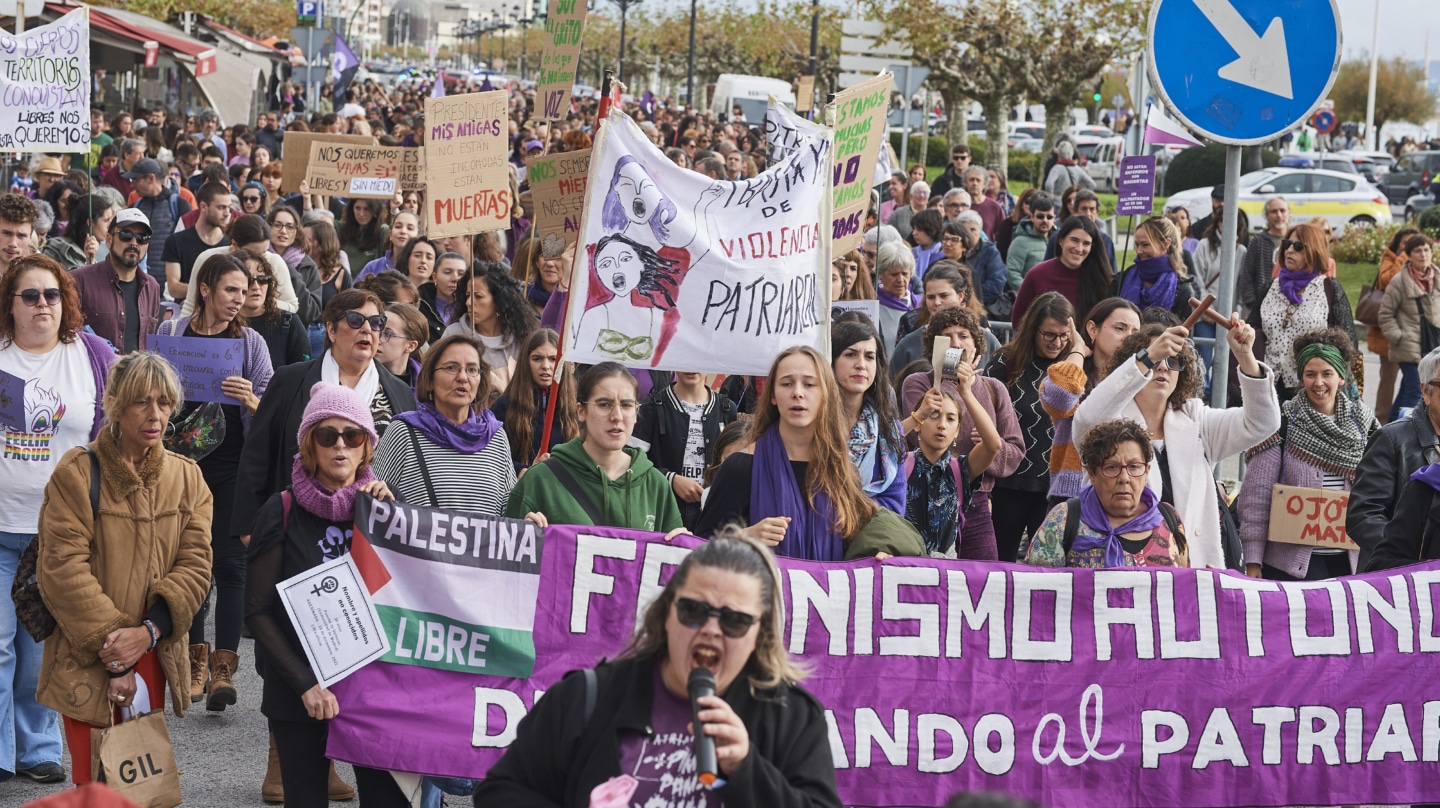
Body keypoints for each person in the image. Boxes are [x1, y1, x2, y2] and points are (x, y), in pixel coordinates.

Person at [472, 529, 842, 808]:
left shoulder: (791, 716)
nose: (711, 629)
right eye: (694, 611)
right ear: (667, 614)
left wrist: (747, 769)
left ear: (759, 633)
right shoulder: (587, 697)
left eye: (733, 620)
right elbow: (500, 793)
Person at [37, 353, 212, 784]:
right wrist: (118, 658)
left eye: (164, 403)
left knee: (141, 789)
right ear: (114, 404)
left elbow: (196, 567)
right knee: (94, 785)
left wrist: (147, 634)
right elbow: (62, 570)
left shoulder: (188, 478)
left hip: (152, 651)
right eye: (140, 402)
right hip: (90, 652)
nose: (155, 415)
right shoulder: (76, 473)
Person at [244, 382, 404, 807]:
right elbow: (257, 611)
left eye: (352, 436)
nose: (340, 445)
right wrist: (306, 684)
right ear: (308, 445)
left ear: (367, 448)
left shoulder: (387, 511)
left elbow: (419, 591)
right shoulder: (280, 510)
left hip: (372, 689)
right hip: (301, 690)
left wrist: (392, 521)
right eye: (326, 434)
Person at [0, 256, 117, 784]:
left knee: (41, 650)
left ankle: (38, 745)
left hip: (63, 534)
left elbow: (121, 421)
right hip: (1, 527)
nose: (42, 304)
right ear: (11, 303)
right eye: (29, 295)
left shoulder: (91, 353)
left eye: (51, 294)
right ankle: (1, 753)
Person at [157, 254, 274, 710]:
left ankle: (223, 667)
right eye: (230, 290)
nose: (238, 300)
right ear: (205, 290)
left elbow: (270, 412)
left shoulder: (250, 342)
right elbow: (149, 390)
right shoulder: (171, 333)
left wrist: (251, 399)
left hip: (232, 467)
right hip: (180, 467)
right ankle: (194, 659)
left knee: (230, 563)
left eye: (243, 292)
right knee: (192, 563)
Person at [1073, 320, 1280, 568]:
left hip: (1191, 574)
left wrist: (1245, 356)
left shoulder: (1196, 419)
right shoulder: (1108, 421)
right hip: (1124, 569)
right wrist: (1147, 356)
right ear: (1131, 367)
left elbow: (1263, 423)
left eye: (1173, 361)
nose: (1163, 367)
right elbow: (1085, 419)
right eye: (1156, 360)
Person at [233, 288, 419, 547]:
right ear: (331, 330)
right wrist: (248, 527)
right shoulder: (290, 380)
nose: (367, 330)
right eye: (356, 320)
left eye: (376, 323)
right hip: (294, 525)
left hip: (368, 530)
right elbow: (257, 454)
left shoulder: (399, 392)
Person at [696, 346, 878, 559]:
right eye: (787, 383)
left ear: (825, 394)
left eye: (809, 384)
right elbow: (700, 548)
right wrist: (744, 537)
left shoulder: (842, 470)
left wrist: (877, 556)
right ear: (772, 395)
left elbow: (855, 548)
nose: (797, 393)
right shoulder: (741, 467)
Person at [1239, 330, 1376, 580]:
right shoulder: (1282, 424)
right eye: (1310, 374)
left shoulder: (1364, 425)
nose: (1318, 382)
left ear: (1341, 378)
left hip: (1350, 562)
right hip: (1290, 567)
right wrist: (1252, 560)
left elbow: (1380, 494)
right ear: (1301, 378)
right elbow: (1255, 499)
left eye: (1327, 374)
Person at [899, 307, 1024, 559]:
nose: (956, 344)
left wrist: (988, 446)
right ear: (935, 348)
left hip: (977, 502)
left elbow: (1013, 452)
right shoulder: (919, 383)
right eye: (947, 337)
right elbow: (918, 438)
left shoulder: (994, 388)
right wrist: (950, 381)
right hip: (925, 497)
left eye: (964, 336)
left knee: (982, 581)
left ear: (977, 345)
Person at [505, 362, 684, 534]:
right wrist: (522, 537)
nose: (617, 416)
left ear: (636, 413)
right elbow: (505, 557)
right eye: (604, 404)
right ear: (581, 411)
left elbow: (672, 563)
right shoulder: (540, 480)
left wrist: (681, 548)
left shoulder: (656, 485)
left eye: (627, 405)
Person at [374, 333, 516, 514]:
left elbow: (508, 511)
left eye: (472, 370)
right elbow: (374, 498)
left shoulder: (496, 437)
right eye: (451, 367)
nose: (463, 377)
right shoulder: (403, 432)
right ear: (429, 380)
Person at [1024, 419, 1187, 568]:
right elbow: (1036, 590)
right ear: (1092, 474)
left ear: (1146, 472)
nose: (1124, 478)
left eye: (1134, 467)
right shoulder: (1062, 520)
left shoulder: (1169, 518)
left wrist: (1209, 581)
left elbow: (1185, 589)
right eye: (1111, 467)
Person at [986, 291, 1075, 561]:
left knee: (1045, 566)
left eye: (1063, 335)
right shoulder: (1006, 363)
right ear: (1032, 329)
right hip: (1007, 484)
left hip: (1052, 487)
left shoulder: (1072, 365)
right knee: (1000, 561)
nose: (1056, 342)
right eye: (1049, 334)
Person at [1248, 223, 1355, 401]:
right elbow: (1254, 331)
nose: (1289, 250)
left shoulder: (1329, 289)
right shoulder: (1269, 288)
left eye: (1298, 246)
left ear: (1314, 251)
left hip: (1312, 388)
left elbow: (1349, 344)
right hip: (1270, 385)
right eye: (1286, 244)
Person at [904, 373, 1002, 557]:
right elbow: (882, 444)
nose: (942, 425)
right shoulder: (902, 463)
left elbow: (993, 444)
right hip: (905, 563)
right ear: (919, 423)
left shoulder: (960, 469)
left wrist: (966, 393)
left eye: (950, 419)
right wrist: (915, 417)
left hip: (945, 569)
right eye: (934, 415)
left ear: (957, 430)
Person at [632, 371, 739, 530]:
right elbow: (631, 461)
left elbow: (733, 462)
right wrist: (670, 478)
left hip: (710, 512)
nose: (692, 367)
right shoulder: (652, 407)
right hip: (664, 509)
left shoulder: (727, 409)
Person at [831, 318, 906, 513]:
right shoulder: (811, 423)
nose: (861, 365)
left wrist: (855, 510)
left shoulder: (888, 427)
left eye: (870, 357)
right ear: (831, 361)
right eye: (850, 354)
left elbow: (896, 502)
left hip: (869, 536)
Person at [71, 209, 162, 354]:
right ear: (108, 240)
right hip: (94, 374)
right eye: (126, 235)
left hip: (136, 375)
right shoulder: (78, 280)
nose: (134, 243)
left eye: (142, 237)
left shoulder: (152, 287)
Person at [443, 266, 538, 397]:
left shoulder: (522, 338)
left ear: (499, 300)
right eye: (468, 295)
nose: (468, 302)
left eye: (478, 296)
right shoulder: (453, 334)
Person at [492, 328, 578, 473]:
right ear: (526, 362)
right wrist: (524, 470)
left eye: (553, 359)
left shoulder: (575, 407)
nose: (546, 366)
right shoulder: (504, 406)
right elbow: (491, 457)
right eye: (537, 358)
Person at [181, 214, 300, 318]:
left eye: (265, 251)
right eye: (253, 253)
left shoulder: (274, 261)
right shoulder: (208, 259)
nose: (261, 259)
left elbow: (292, 305)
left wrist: (261, 301)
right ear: (234, 244)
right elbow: (191, 307)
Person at [1012, 215, 1112, 329]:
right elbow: (1018, 321)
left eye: (1086, 243)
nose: (1079, 248)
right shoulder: (1036, 275)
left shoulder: (1100, 279)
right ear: (1061, 240)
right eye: (1074, 240)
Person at [1379, 233, 1439, 421]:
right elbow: (1385, 314)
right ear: (1409, 255)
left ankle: (1388, 431)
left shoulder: (1437, 277)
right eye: (1418, 250)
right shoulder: (1399, 281)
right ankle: (1405, 439)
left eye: (1426, 249)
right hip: (1408, 347)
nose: (1423, 254)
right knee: (1416, 393)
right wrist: (1399, 337)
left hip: (1433, 345)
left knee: (1407, 390)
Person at [1371, 228, 1421, 424]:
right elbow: (1386, 280)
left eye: (1412, 243)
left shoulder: (1420, 265)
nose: (1409, 246)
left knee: (1409, 383)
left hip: (1413, 335)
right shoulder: (1390, 258)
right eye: (1405, 242)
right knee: (1389, 379)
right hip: (1389, 335)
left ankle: (1393, 419)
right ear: (1397, 244)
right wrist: (1403, 258)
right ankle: (1382, 421)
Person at [1110, 217, 1197, 322]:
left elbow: (1185, 334)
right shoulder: (1122, 280)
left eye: (1145, 245)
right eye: (1137, 245)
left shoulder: (1182, 290)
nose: (1138, 251)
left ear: (1165, 244)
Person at [234, 250, 310, 370]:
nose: (256, 287)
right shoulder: (220, 323)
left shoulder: (289, 323)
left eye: (263, 279)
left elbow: (303, 374)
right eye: (248, 280)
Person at [127, 159, 191, 286]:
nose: (131, 185)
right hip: (139, 286)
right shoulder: (134, 208)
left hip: (170, 290)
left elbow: (188, 247)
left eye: (135, 179)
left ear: (151, 178)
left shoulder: (179, 205)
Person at [163, 182, 230, 302]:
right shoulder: (176, 241)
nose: (227, 213)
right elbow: (173, 288)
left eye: (229, 207)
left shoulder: (231, 244)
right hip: (185, 314)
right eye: (221, 207)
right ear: (204, 207)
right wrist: (215, 290)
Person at [267, 205, 322, 326]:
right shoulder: (258, 258)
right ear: (268, 227)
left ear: (296, 232)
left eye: (290, 227)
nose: (283, 231)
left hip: (292, 334)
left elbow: (311, 313)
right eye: (277, 225)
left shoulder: (308, 265)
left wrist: (287, 268)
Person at [1238, 196, 1291, 313]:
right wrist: (1252, 305)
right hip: (1262, 307)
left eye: (1282, 210)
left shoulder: (1295, 240)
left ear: (1289, 213)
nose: (1279, 215)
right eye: (1274, 211)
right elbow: (1247, 275)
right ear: (1266, 215)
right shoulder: (1258, 241)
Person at [873, 241, 919, 358]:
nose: (900, 279)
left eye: (905, 273)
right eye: (894, 274)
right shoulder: (873, 306)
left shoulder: (920, 304)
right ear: (880, 274)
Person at [952, 213, 1007, 309]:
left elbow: (996, 283)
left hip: (982, 306)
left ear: (980, 231)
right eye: (964, 229)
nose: (968, 233)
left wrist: (968, 299)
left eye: (972, 229)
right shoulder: (950, 250)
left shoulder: (990, 252)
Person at [41, 194, 110, 270]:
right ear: (90, 222)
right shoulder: (56, 250)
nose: (109, 226)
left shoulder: (108, 250)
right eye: (106, 220)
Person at [1005, 193, 1057, 290]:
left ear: (1054, 218)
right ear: (1032, 217)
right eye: (1040, 216)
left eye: (1049, 217)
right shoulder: (1019, 242)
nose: (1045, 220)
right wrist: (1030, 293)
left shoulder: (1060, 240)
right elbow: (1012, 273)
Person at [374, 302, 428, 389]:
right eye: (376, 330)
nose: (377, 340)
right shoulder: (360, 374)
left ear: (411, 346)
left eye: (388, 334)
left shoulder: (427, 385)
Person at [356, 210, 420, 280]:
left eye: (410, 228)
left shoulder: (421, 269)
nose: (403, 231)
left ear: (418, 237)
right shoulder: (373, 267)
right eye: (398, 226)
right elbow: (354, 290)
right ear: (390, 235)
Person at [419, 251, 466, 345]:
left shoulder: (472, 309)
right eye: (448, 272)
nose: (455, 278)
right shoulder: (419, 307)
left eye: (461, 274)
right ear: (434, 277)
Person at [338, 198, 389, 273]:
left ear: (375, 209)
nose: (361, 214)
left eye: (367, 209)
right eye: (357, 208)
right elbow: (322, 225)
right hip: (346, 283)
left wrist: (393, 210)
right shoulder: (341, 228)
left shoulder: (382, 231)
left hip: (371, 283)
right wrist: (318, 195)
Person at [0, 194, 39, 276]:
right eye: (6, 233)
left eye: (21, 236)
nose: (13, 243)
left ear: (30, 238)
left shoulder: (40, 276)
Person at [963, 166, 1005, 238]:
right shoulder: (960, 205)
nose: (975, 183)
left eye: (978, 180)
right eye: (971, 180)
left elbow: (1003, 233)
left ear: (985, 184)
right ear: (965, 183)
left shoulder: (994, 207)